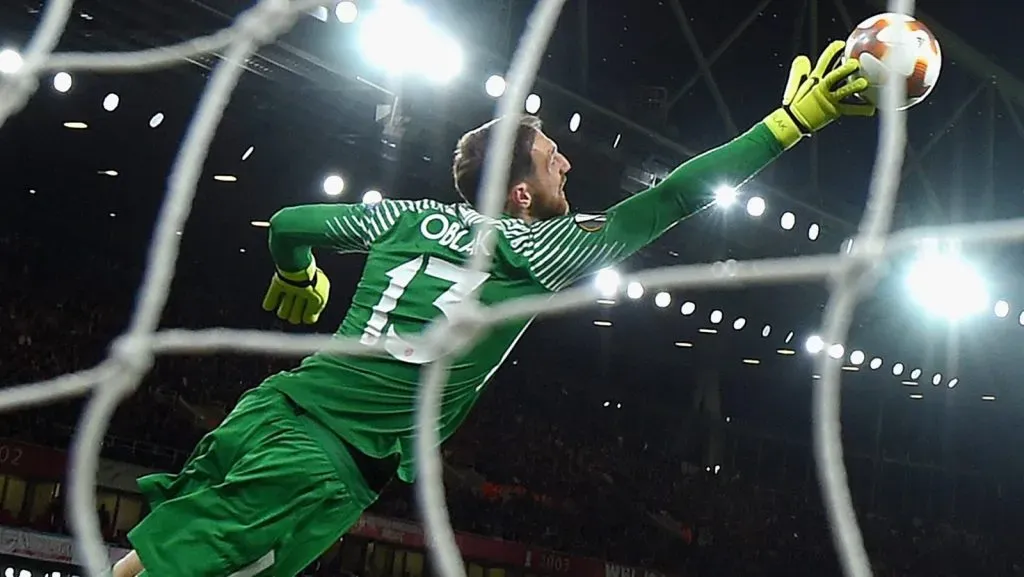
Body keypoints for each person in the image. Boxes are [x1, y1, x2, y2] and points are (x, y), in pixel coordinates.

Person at [113, 40, 872, 577]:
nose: (565, 161)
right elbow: (673, 198)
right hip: (321, 461)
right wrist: (791, 123)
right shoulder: (537, 249)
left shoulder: (405, 218)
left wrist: (301, 275)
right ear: (519, 195)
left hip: (270, 410)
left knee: (145, 561)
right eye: (549, 157)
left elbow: (288, 223)